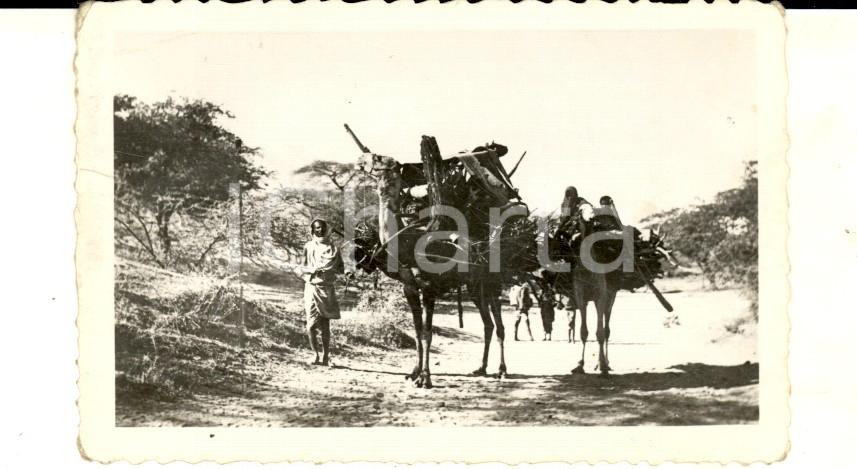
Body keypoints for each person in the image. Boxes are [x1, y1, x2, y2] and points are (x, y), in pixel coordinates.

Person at [301, 219, 344, 366]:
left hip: (327, 288)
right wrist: (313, 270)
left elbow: (340, 268)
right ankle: (315, 355)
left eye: (321, 228)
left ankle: (326, 356)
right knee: (311, 325)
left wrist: (348, 271)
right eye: (316, 228)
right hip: (311, 288)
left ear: (326, 229)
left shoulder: (334, 249)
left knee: (326, 325)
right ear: (312, 230)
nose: (319, 230)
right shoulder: (308, 246)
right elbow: (303, 267)